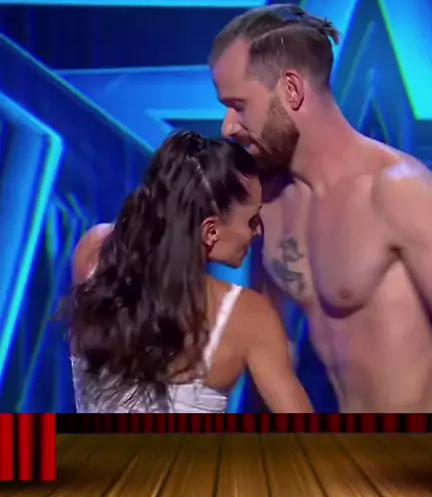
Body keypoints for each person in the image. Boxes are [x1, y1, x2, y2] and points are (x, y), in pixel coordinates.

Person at [208, 4, 432, 413]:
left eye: (239, 105)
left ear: (292, 90)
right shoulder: (268, 203)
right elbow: (274, 344)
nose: (228, 126)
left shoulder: (397, 190)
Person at [67, 130, 313, 414]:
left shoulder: (95, 253)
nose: (258, 232)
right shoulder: (246, 316)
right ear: (210, 231)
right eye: (252, 220)